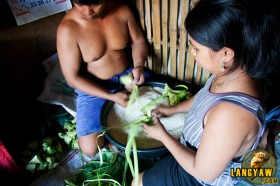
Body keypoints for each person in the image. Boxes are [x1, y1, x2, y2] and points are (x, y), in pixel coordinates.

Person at [131, 0, 280, 185]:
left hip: (197, 178)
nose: (192, 53)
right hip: (194, 155)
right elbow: (206, 97)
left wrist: (163, 136)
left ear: (226, 53)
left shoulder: (231, 115)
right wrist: (173, 109)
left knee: (138, 181)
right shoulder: (236, 70)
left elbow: (203, 173)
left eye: (196, 48)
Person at [56, 0, 150, 157]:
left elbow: (138, 42)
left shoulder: (121, 10)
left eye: (94, 3)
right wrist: (111, 96)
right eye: (79, 4)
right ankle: (115, 141)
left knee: (159, 111)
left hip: (128, 76)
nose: (87, 11)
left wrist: (138, 66)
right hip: (94, 87)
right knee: (90, 149)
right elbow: (72, 78)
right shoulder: (68, 29)